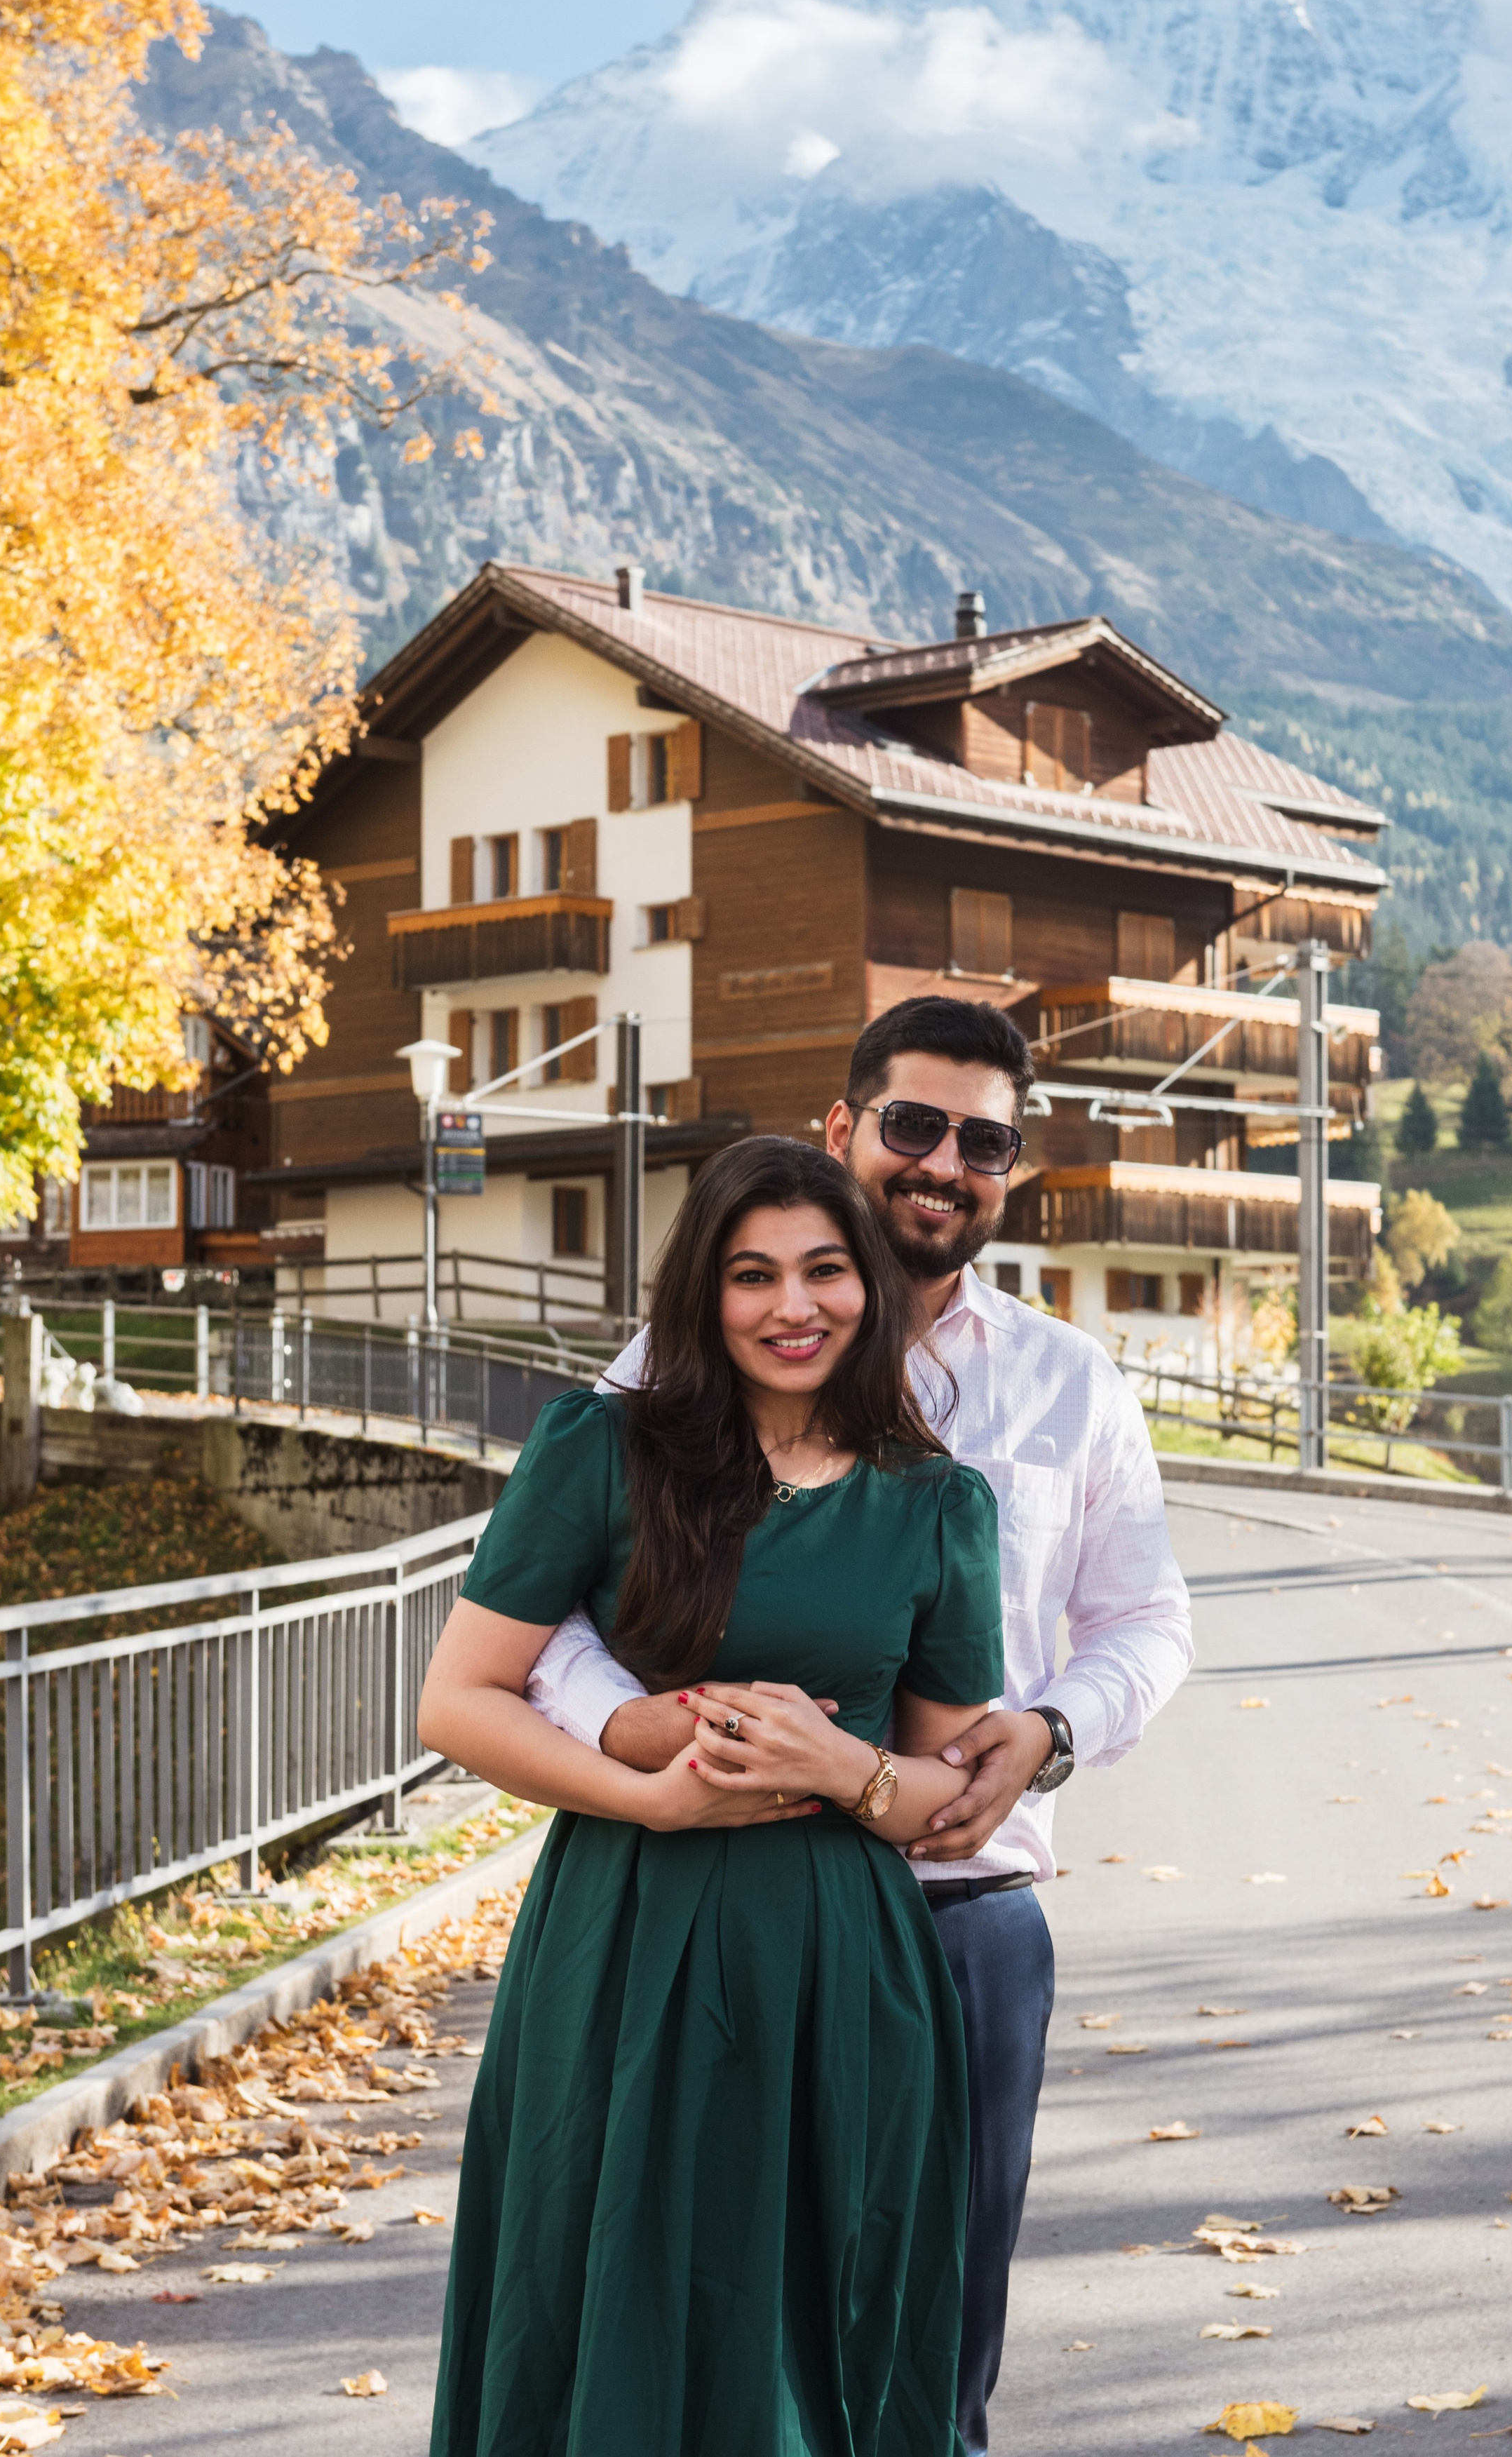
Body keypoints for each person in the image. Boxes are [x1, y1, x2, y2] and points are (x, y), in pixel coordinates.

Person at [529, 995, 1194, 2457]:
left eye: (983, 1140)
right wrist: (640, 1728)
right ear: (842, 1129)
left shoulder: (1066, 1382)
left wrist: (1047, 1729)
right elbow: (545, 1619)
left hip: (956, 1910)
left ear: (1008, 1171)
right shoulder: (666, 1372)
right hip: (721, 1892)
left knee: (920, 2348)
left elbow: (1145, 1621)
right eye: (911, 1124)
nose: (941, 1161)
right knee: (693, 2330)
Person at [418, 1133, 1005, 2457]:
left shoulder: (939, 1504)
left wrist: (843, 1769)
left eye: (824, 1271)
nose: (792, 1307)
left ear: (871, 1286)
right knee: (598, 2278)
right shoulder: (604, 1446)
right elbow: (460, 1699)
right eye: (752, 1275)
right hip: (622, 1930)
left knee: (810, 2317)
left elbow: (948, 1790)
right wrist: (649, 1803)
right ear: (704, 1293)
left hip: (838, 1960)